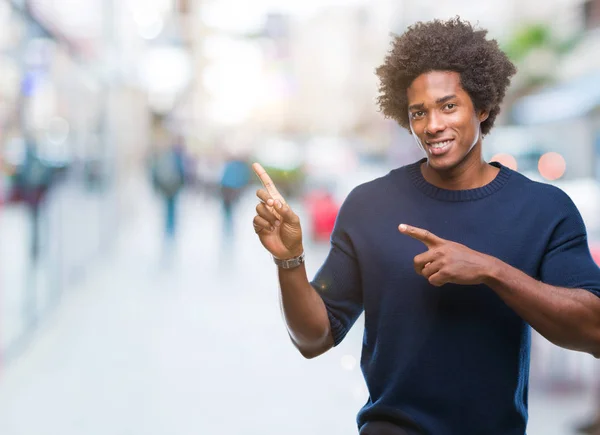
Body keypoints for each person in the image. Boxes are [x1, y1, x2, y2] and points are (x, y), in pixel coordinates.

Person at [250, 17, 600, 435]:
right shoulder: (370, 205)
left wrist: (491, 270)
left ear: (483, 106)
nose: (432, 125)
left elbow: (593, 329)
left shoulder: (544, 209)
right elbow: (313, 339)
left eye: (448, 106)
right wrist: (290, 261)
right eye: (419, 112)